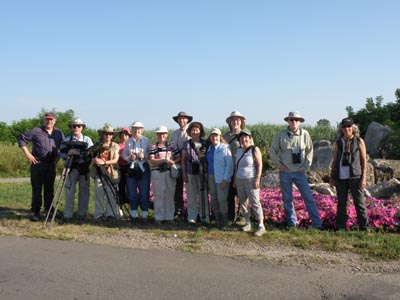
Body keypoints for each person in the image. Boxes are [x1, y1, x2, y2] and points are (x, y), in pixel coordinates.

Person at [269, 112, 322, 229]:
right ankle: (292, 223)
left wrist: (305, 167)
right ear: (288, 121)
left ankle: (317, 224)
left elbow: (310, 151)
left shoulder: (305, 134)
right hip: (285, 172)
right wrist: (278, 165)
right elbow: (272, 151)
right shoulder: (280, 134)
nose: (294, 122)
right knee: (287, 199)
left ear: (300, 121)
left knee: (308, 197)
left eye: (296, 120)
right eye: (292, 119)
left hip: (300, 172)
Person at [17, 112, 65, 222]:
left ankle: (49, 210)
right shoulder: (36, 131)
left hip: (51, 164)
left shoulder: (58, 133)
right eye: (47, 119)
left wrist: (58, 157)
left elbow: (63, 146)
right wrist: (28, 154)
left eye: (51, 119)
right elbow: (21, 139)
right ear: (44, 120)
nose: (49, 121)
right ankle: (36, 211)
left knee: (50, 189)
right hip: (37, 163)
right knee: (37, 188)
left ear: (54, 121)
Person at [329, 118, 369, 231]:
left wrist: (364, 178)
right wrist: (332, 177)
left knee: (359, 203)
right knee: (341, 204)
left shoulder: (359, 141)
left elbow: (363, 160)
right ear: (341, 129)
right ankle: (340, 227)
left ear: (353, 127)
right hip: (341, 178)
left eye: (349, 126)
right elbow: (335, 160)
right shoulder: (338, 142)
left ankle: (365, 228)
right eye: (344, 127)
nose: (347, 129)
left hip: (355, 177)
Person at [235, 128, 266, 236]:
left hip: (251, 178)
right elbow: (236, 166)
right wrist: (235, 178)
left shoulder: (254, 149)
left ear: (250, 138)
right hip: (239, 179)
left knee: (255, 202)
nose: (244, 139)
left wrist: (257, 178)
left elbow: (259, 164)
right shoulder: (238, 151)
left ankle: (261, 225)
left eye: (246, 137)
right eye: (242, 137)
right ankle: (247, 222)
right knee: (243, 202)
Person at [61, 118, 93, 221]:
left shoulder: (87, 140)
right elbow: (62, 154)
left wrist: (78, 153)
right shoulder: (66, 140)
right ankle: (67, 214)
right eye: (74, 126)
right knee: (69, 191)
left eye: (78, 126)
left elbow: (91, 154)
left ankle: (82, 214)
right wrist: (67, 154)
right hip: (71, 168)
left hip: (84, 169)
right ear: (71, 127)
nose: (76, 128)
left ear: (82, 127)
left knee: (84, 192)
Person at [149, 126, 180, 224]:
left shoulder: (172, 145)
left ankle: (169, 217)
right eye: (159, 134)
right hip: (157, 172)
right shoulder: (153, 147)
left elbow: (179, 157)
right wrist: (164, 160)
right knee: (158, 195)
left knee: (170, 195)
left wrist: (173, 162)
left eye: (163, 134)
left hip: (169, 172)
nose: (161, 135)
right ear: (157, 135)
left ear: (166, 135)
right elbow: (152, 160)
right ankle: (158, 217)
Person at [121, 121, 151, 221]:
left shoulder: (146, 140)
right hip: (131, 168)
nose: (137, 130)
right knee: (131, 191)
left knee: (144, 191)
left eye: (139, 129)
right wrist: (130, 157)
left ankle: (144, 214)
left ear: (142, 130)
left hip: (143, 167)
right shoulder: (128, 141)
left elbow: (151, 154)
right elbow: (123, 155)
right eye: (135, 128)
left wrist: (144, 156)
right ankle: (133, 214)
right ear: (132, 130)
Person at [90, 125, 120, 221]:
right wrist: (95, 160)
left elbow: (115, 160)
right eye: (106, 133)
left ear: (112, 135)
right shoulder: (97, 144)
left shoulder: (115, 145)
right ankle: (99, 214)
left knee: (111, 194)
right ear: (103, 134)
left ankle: (110, 214)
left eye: (110, 134)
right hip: (99, 172)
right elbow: (91, 155)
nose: (108, 135)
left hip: (111, 172)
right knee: (99, 194)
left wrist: (105, 162)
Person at [181, 121, 209, 223]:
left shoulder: (205, 143)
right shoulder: (186, 144)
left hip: (202, 172)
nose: (195, 132)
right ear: (189, 131)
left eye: (197, 130)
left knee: (203, 195)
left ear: (200, 132)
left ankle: (204, 216)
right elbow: (183, 160)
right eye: (193, 130)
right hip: (189, 171)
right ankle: (192, 217)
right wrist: (183, 173)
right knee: (191, 196)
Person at [206, 128, 233, 229]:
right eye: (213, 136)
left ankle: (225, 223)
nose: (214, 138)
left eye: (216, 136)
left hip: (221, 178)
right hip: (211, 176)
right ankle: (218, 221)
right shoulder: (209, 148)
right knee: (214, 199)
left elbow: (229, 165)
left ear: (220, 137)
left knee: (222, 200)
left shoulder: (225, 148)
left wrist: (225, 179)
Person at [223, 111, 246, 223]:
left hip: (241, 168)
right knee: (230, 194)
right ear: (230, 122)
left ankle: (242, 217)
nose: (235, 122)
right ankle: (231, 216)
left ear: (241, 122)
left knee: (242, 194)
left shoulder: (245, 135)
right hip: (229, 169)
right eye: (233, 120)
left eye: (238, 119)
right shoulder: (226, 136)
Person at [170, 111, 193, 219]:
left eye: (183, 118)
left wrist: (177, 159)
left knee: (190, 189)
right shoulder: (174, 134)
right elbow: (171, 148)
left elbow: (189, 151)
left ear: (187, 120)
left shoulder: (191, 133)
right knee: (177, 189)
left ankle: (191, 212)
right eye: (179, 119)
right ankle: (178, 210)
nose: (181, 120)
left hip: (189, 164)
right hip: (177, 163)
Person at [116, 127, 131, 205]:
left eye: (126, 134)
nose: (124, 136)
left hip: (129, 169)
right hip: (119, 168)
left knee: (130, 187)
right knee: (120, 187)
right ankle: (120, 206)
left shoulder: (131, 145)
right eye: (123, 134)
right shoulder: (117, 145)